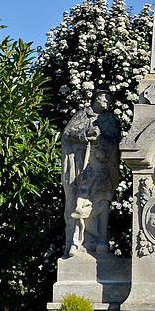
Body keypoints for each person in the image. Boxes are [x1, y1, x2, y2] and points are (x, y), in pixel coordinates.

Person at [61, 89, 120, 256]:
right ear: (96, 99)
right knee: (79, 203)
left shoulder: (110, 120)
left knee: (101, 203)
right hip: (83, 167)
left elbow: (114, 141)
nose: (108, 101)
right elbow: (68, 134)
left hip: (102, 167)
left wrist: (101, 141)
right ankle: (77, 241)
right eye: (104, 98)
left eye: (110, 99)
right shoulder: (82, 115)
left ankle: (101, 242)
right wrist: (86, 134)